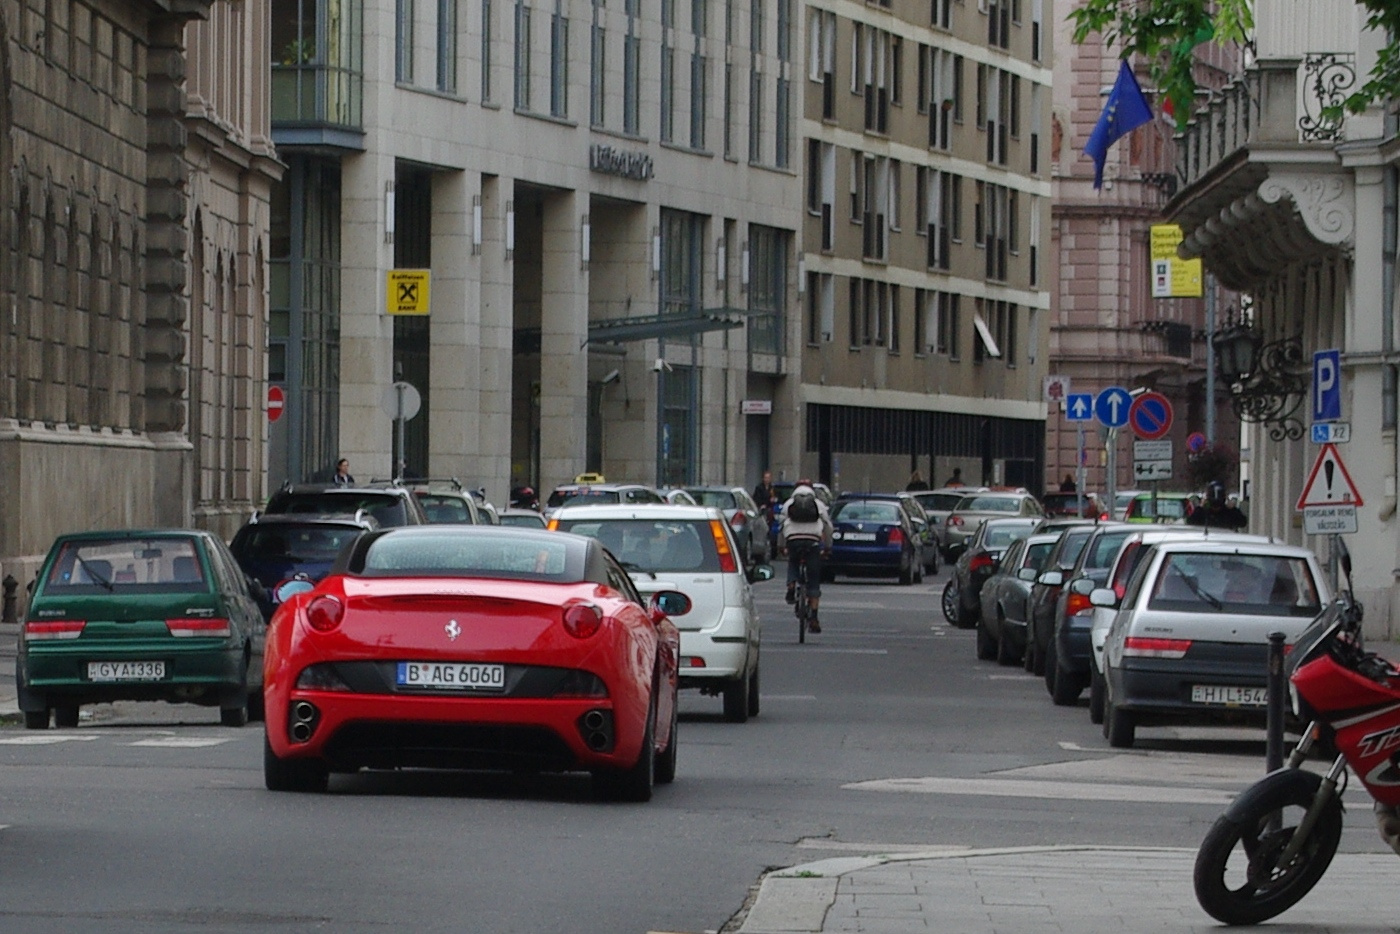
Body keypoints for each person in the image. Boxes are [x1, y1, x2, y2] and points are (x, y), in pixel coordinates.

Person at [779, 480, 833, 633]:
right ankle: (814, 617)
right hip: (812, 541)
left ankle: (791, 587)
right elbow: (828, 527)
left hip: (793, 539)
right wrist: (828, 547)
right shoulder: (819, 504)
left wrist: (782, 546)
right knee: (814, 578)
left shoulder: (788, 503)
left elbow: (781, 526)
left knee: (793, 561)